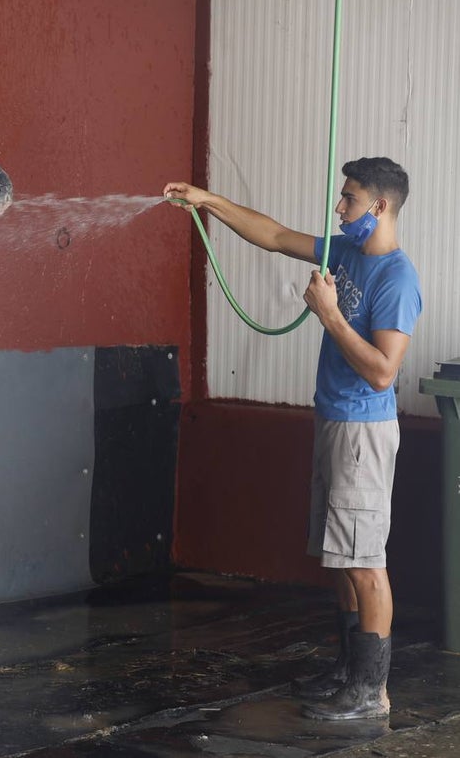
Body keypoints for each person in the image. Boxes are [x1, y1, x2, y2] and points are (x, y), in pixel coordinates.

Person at [164, 157, 422, 721]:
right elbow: (276, 236)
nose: (339, 207)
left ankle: (372, 693)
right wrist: (208, 201)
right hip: (333, 421)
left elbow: (382, 372)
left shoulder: (398, 279)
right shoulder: (346, 251)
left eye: (348, 199)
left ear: (378, 207)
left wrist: (330, 315)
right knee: (339, 558)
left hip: (363, 432)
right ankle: (349, 674)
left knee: (364, 562)